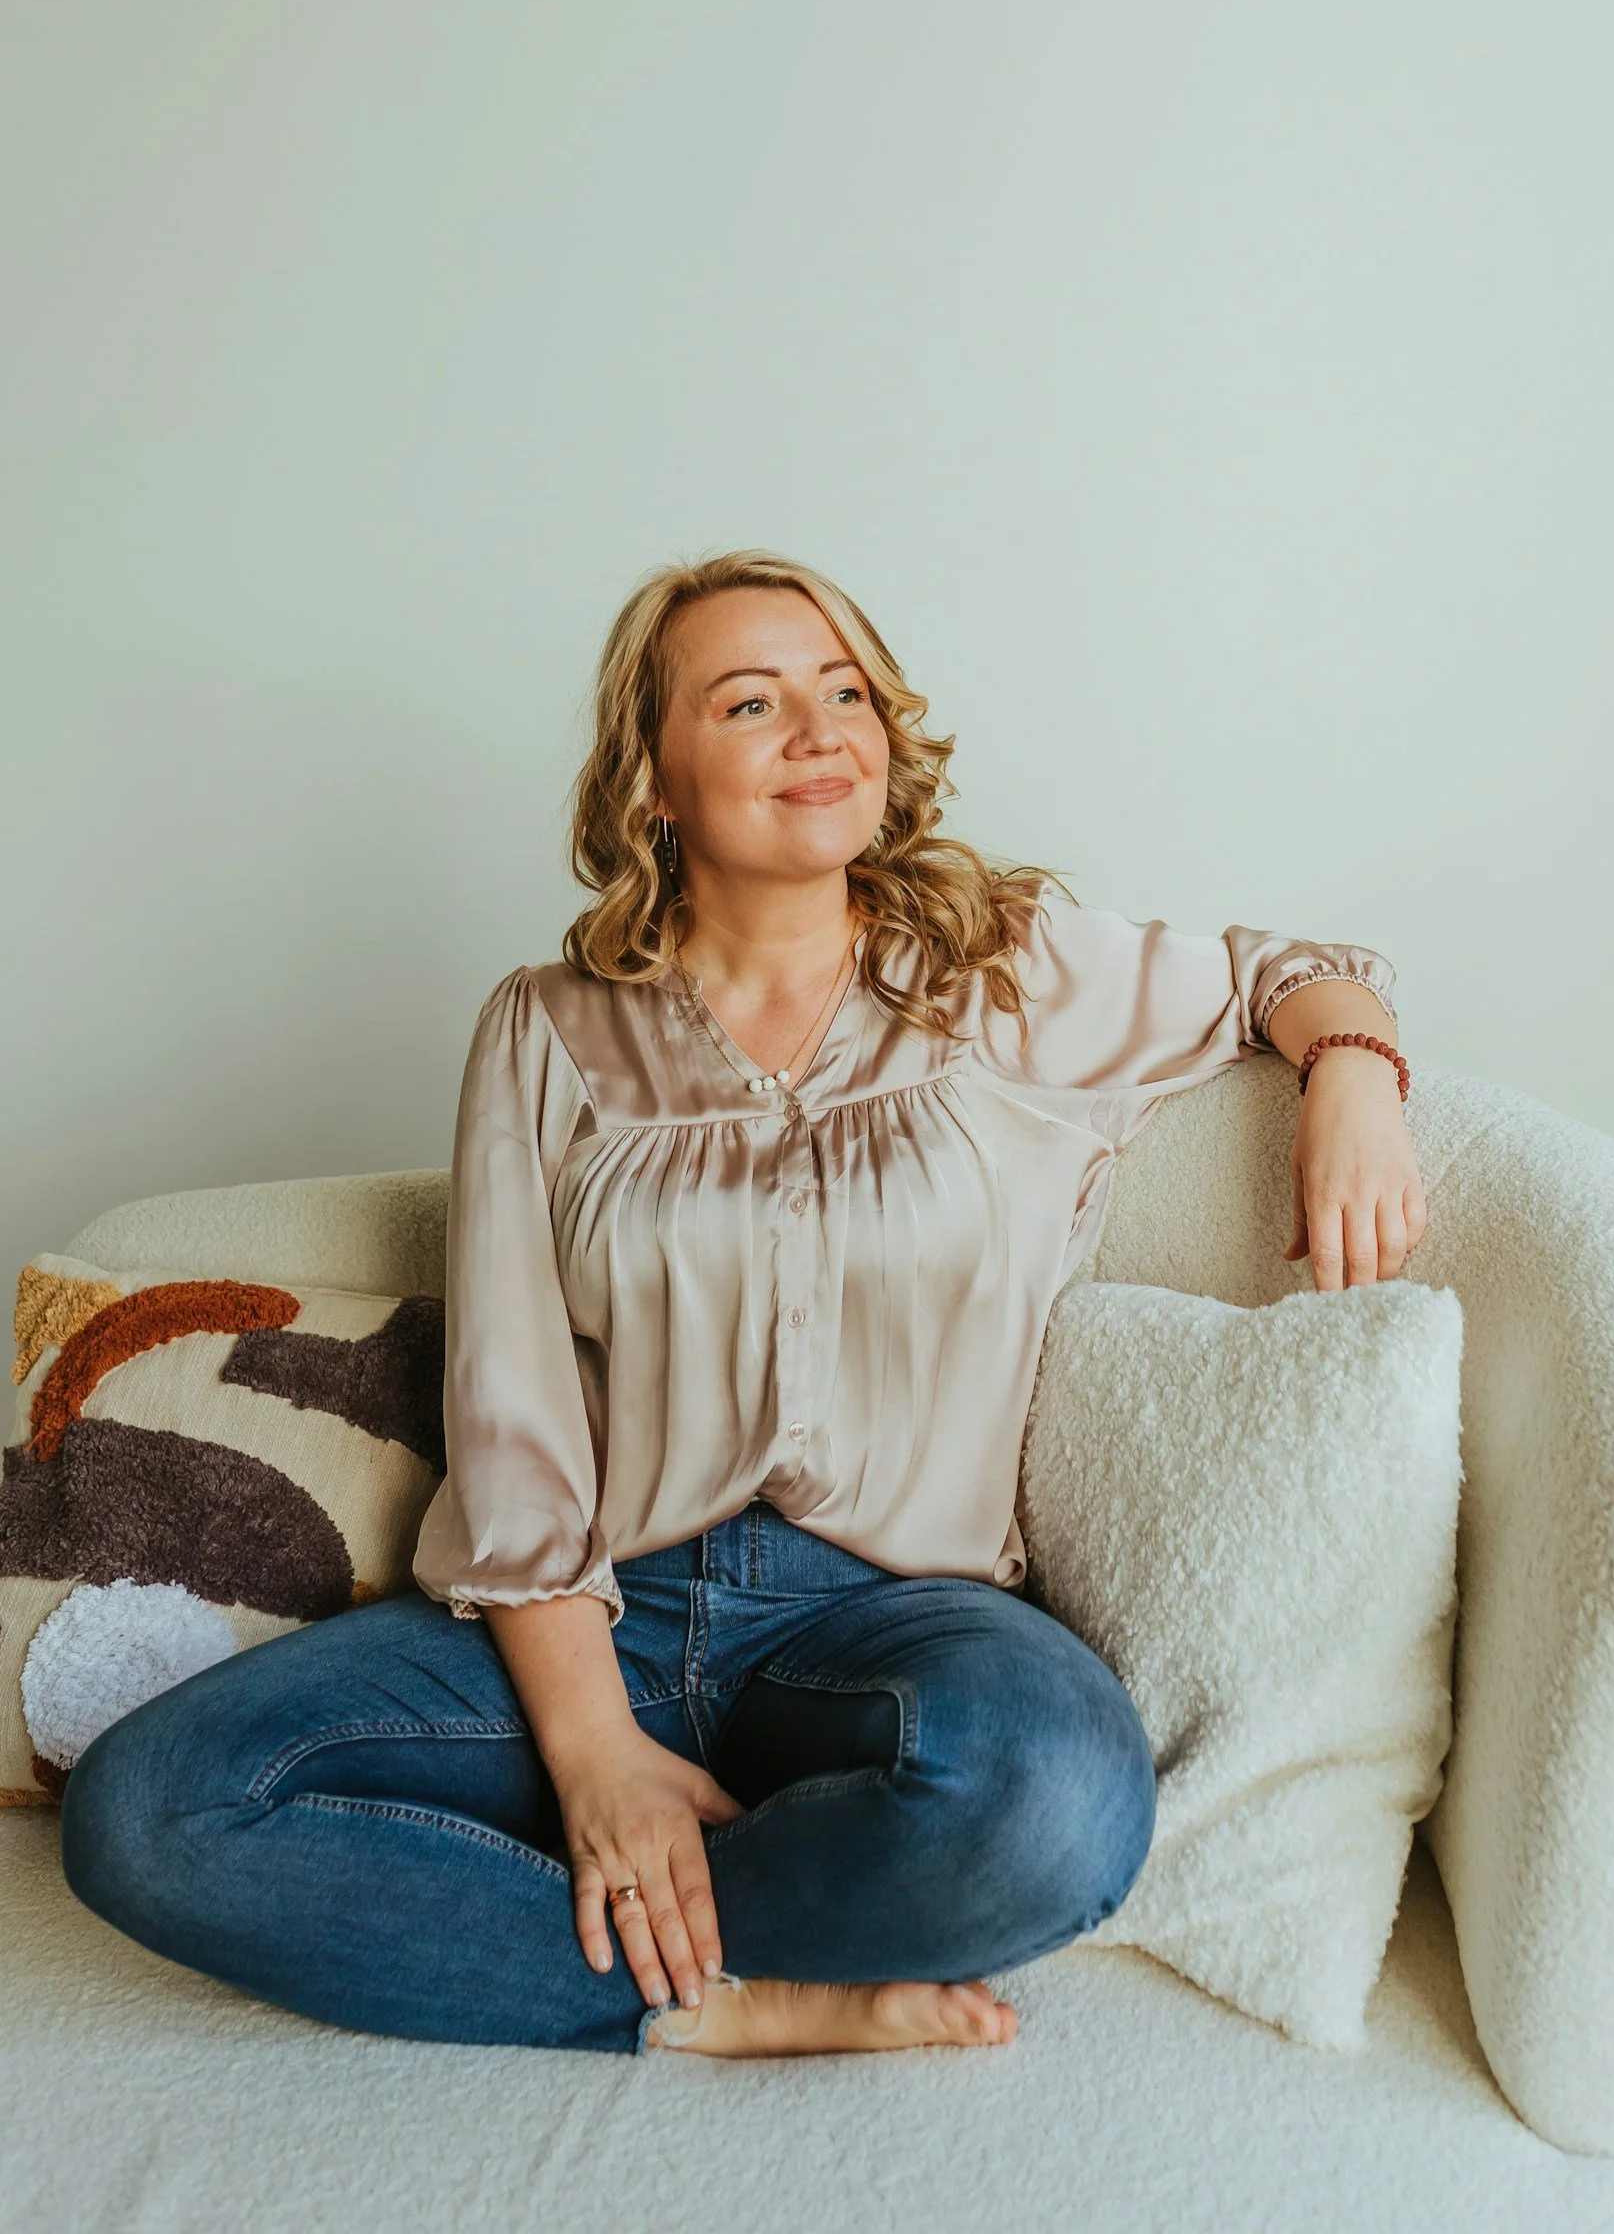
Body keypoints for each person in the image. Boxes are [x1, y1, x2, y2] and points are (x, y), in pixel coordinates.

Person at [62, 549, 1426, 2061]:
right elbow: (510, 1416)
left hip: (900, 1620)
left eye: (844, 692)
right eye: (754, 701)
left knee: (1057, 1806)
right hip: (601, 1612)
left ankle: (610, 1943)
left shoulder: (1001, 972)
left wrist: (1352, 1073)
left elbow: (1282, 972)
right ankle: (721, 1998)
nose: (821, 732)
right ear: (654, 776)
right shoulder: (545, 1033)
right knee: (149, 1812)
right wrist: (593, 1759)